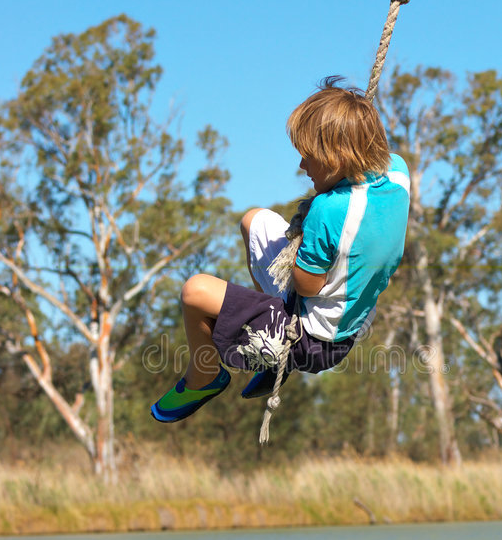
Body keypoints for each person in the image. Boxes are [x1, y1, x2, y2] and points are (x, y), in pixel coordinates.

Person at [151, 77, 410, 423]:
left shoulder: (330, 210)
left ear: (337, 159)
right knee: (253, 221)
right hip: (351, 312)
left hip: (313, 339)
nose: (302, 167)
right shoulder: (397, 170)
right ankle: (268, 342)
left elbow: (307, 285)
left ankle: (205, 376)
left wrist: (304, 234)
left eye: (309, 158)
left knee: (194, 292)